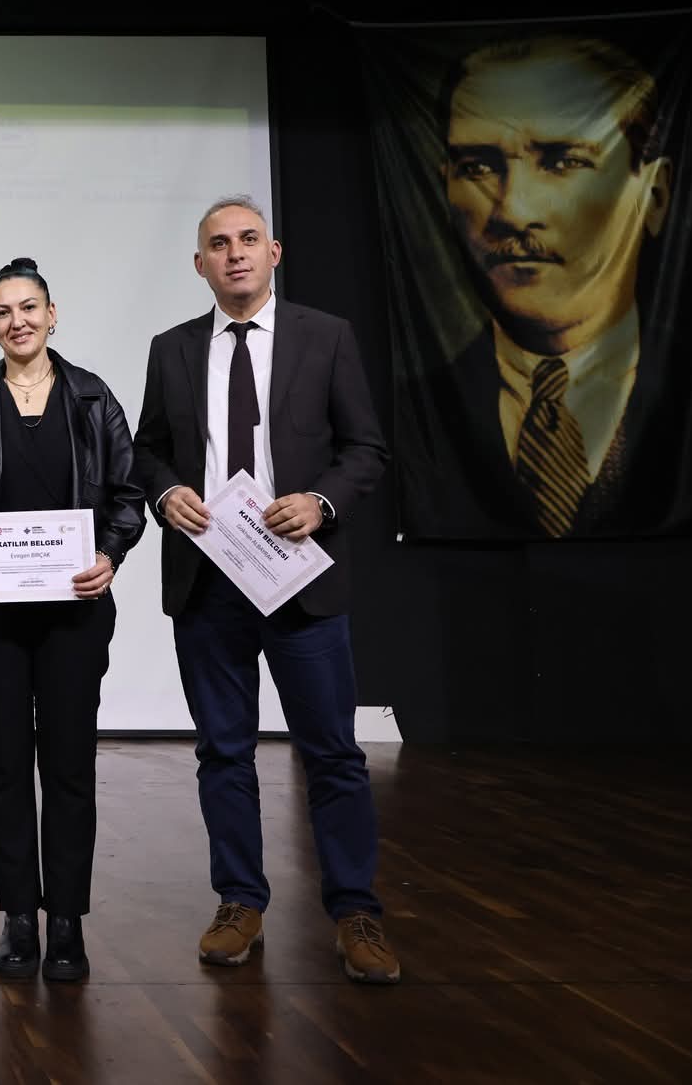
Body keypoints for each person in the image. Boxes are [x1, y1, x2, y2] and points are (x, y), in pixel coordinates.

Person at [130, 195, 400, 986]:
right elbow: (147, 450)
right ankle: (239, 902)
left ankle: (355, 911)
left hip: (299, 576)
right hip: (210, 580)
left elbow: (366, 449)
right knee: (223, 751)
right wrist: (165, 493)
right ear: (200, 264)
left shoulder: (326, 336)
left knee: (333, 754)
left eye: (249, 239)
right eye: (219, 244)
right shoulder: (172, 349)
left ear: (274, 252)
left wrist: (321, 503)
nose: (235, 253)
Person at [0, 257, 146, 982]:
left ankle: (67, 919)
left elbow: (128, 497)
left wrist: (109, 554)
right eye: (2, 312)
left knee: (71, 764)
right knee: (5, 762)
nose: (17, 321)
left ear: (53, 315)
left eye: (28, 307)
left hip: (75, 612)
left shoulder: (93, 398)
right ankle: (19, 916)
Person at [427, 34, 673, 537]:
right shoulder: (416, 413)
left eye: (564, 161)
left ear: (652, 195)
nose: (514, 210)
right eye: (477, 167)